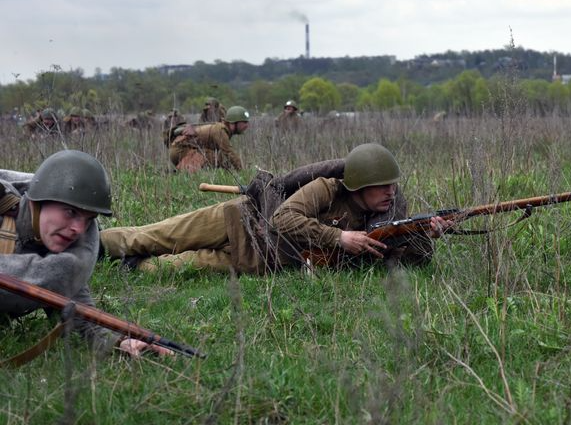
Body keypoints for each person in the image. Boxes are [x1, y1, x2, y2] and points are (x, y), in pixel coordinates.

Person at [100, 143, 450, 273]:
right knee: (154, 237)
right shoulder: (325, 188)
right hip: (238, 221)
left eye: (393, 185)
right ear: (359, 184)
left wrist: (426, 237)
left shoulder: (382, 220)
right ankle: (95, 244)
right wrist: (340, 238)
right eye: (383, 186)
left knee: (163, 268)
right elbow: (283, 217)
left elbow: (406, 261)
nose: (391, 192)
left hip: (260, 258)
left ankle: (127, 270)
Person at [0, 150, 170, 359]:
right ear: (38, 201)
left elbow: (82, 316)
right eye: (70, 212)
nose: (79, 229)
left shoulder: (62, 260)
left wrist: (121, 342)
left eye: (88, 219)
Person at [168, 105, 250, 172]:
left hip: (179, 150)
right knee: (219, 158)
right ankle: (185, 172)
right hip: (180, 151)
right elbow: (229, 153)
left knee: (217, 157)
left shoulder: (222, 129)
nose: (247, 125)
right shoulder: (220, 130)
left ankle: (185, 171)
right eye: (244, 122)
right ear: (233, 122)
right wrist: (242, 171)